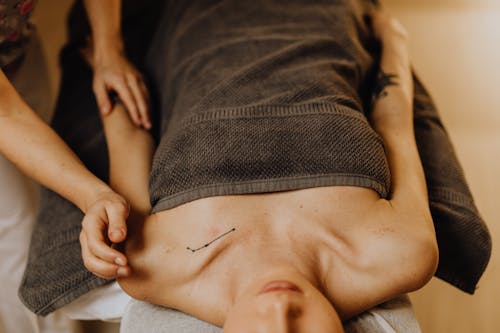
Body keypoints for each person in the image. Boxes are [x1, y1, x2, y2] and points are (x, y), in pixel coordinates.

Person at [83, 8, 438, 331]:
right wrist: (394, 38)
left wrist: (107, 53)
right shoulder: (402, 251)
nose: (281, 309)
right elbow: (395, 123)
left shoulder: (149, 265)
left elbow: (130, 127)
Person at [0, 0, 147, 330]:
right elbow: (6, 113)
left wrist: (110, 50)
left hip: (14, 43)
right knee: (15, 230)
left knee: (44, 171)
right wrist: (93, 195)